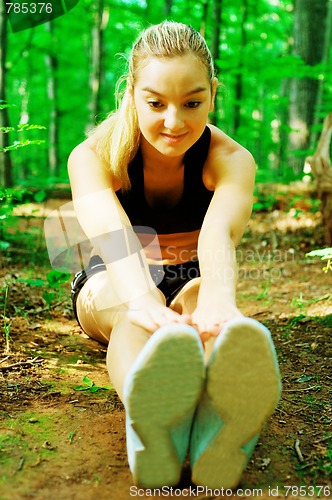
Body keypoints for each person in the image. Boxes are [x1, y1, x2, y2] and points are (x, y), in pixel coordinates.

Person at [67, 21, 281, 490]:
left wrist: (219, 304)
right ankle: (149, 414)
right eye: (155, 102)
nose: (174, 121)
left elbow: (218, 235)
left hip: (191, 275)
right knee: (133, 316)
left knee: (204, 297)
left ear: (212, 93)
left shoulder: (230, 159)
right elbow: (111, 233)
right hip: (115, 279)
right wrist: (144, 300)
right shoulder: (94, 156)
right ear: (131, 93)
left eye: (192, 102)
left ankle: (217, 426)